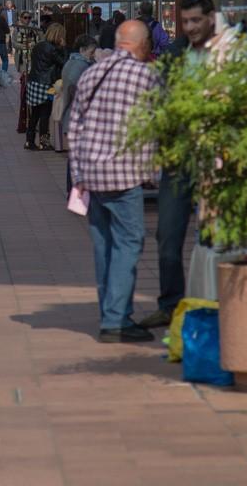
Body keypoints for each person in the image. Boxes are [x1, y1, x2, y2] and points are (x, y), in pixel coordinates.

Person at [67, 20, 161, 343]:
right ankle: (116, 319)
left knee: (104, 245)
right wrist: (152, 171)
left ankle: (111, 312)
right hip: (124, 173)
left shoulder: (92, 73)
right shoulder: (146, 76)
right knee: (129, 242)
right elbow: (153, 125)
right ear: (143, 44)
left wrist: (78, 174)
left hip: (92, 174)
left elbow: (74, 125)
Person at [138, 0, 218, 328]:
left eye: (197, 20)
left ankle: (218, 303)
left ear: (211, 18)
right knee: (167, 237)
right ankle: (171, 304)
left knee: (217, 235)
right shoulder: (175, 53)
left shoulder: (229, 52)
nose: (191, 27)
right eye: (186, 22)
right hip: (179, 157)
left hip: (218, 158)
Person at [59, 35, 99, 190]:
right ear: (83, 50)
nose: (93, 54)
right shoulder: (81, 67)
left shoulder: (71, 63)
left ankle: (73, 191)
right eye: (92, 51)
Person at [25, 23, 68, 151]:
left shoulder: (39, 45)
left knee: (35, 113)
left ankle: (29, 140)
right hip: (45, 83)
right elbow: (64, 63)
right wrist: (64, 48)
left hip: (34, 81)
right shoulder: (53, 49)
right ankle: (44, 141)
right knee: (45, 113)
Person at [12, 10, 40, 76]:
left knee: (32, 74)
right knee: (24, 75)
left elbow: (42, 39)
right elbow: (14, 43)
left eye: (29, 17)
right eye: (25, 17)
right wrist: (23, 46)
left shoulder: (35, 28)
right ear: (21, 18)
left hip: (33, 55)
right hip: (21, 56)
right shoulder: (17, 29)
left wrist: (35, 44)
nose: (27, 19)